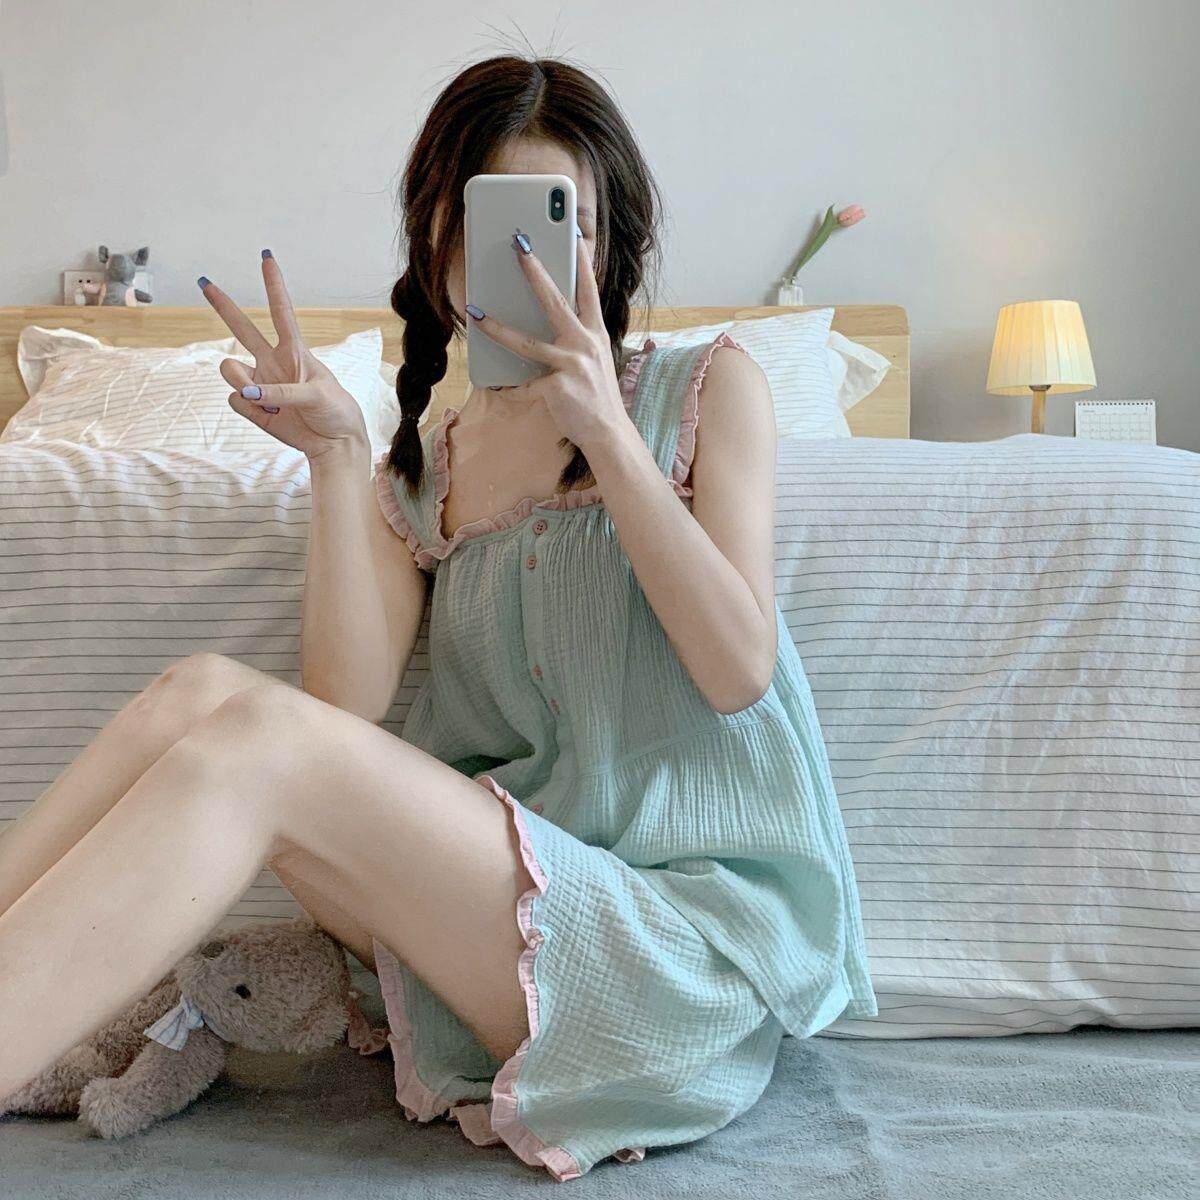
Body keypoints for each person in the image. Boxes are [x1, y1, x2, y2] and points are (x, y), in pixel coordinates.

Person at [0, 54, 876, 1181]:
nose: (532, 263)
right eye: (490, 231)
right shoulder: (431, 467)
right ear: (438, 250)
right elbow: (337, 717)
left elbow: (737, 670)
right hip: (497, 941)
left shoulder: (704, 388)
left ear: (611, 246)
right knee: (201, 695)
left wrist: (606, 434)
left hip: (671, 957)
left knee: (252, 732)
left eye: (565, 227)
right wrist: (337, 459)